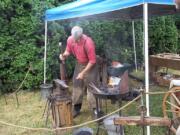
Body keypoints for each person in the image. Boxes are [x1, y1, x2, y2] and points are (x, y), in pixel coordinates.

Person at [59, 26, 99, 118]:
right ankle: (76, 108)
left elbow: (92, 61)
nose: (76, 41)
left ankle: (95, 109)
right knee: (77, 85)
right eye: (74, 39)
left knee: (92, 87)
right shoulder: (70, 39)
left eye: (78, 39)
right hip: (79, 64)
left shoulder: (88, 43)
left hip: (90, 65)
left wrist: (83, 73)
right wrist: (64, 55)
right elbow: (68, 50)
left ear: (81, 36)